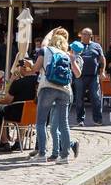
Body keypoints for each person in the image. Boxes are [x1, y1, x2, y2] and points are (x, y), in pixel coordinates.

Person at [30, 29, 81, 161]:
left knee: (41, 122)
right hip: (65, 90)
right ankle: (64, 156)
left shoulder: (45, 50)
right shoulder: (66, 54)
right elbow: (77, 74)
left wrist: (29, 65)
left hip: (48, 87)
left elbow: (35, 68)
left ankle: (41, 154)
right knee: (64, 124)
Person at [71, 28, 104, 126]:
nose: (85, 36)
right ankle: (80, 120)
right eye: (83, 34)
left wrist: (102, 72)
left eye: (87, 34)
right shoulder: (76, 45)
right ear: (81, 35)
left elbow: (102, 59)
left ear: (91, 36)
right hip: (79, 76)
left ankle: (97, 119)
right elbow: (70, 56)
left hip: (93, 76)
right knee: (79, 99)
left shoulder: (96, 46)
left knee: (96, 97)